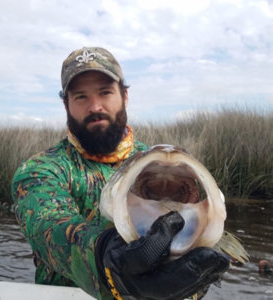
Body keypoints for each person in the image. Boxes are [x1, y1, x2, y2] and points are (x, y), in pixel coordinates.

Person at [12, 47, 229, 300]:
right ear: (66, 104)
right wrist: (106, 258)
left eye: (105, 92)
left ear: (124, 96)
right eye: (81, 96)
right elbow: (47, 227)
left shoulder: (156, 164)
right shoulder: (40, 171)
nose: (95, 106)